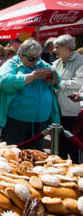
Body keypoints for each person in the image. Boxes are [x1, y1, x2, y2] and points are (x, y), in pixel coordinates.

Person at [0, 39, 60, 150]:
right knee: (14, 152)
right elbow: (3, 81)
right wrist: (31, 77)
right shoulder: (12, 64)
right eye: (31, 58)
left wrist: (53, 79)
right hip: (17, 121)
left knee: (36, 153)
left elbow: (57, 81)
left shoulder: (42, 63)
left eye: (37, 57)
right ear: (20, 55)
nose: (35, 61)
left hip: (40, 120)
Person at [52, 34, 83, 162]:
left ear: (66, 47)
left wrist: (58, 83)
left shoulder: (80, 60)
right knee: (60, 149)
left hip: (72, 112)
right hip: (57, 111)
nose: (54, 50)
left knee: (74, 148)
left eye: (57, 47)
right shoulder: (56, 62)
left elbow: (79, 82)